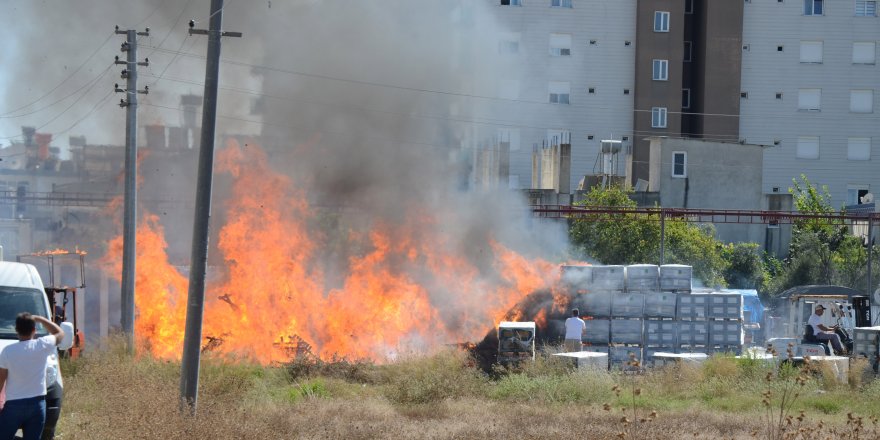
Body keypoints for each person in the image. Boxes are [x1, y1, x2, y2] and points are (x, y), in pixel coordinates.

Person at [0, 312, 65, 440]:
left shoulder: (8, 351)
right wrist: (40, 319)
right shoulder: (42, 345)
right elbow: (60, 334)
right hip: (37, 405)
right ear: (34, 330)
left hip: (13, 406)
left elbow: (1, 380)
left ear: (16, 330)